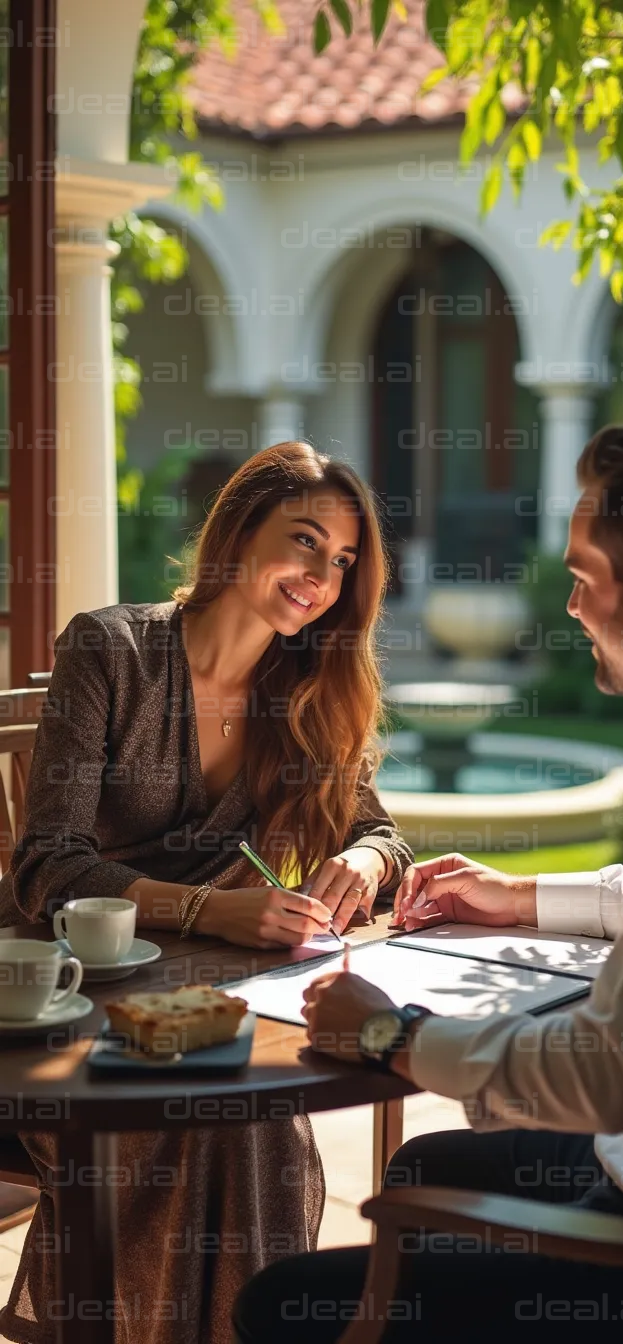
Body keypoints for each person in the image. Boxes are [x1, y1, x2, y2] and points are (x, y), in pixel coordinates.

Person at [233, 421, 623, 1342]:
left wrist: (391, 1032)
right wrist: (520, 898)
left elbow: (610, 1074)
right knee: (426, 1166)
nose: (571, 606)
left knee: (280, 1307)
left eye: (581, 578)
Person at [0, 441, 413, 1344]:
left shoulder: (309, 688)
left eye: (344, 561)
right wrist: (208, 907)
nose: (322, 577)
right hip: (65, 1000)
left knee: (245, 1105)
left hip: (202, 997)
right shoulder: (110, 649)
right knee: (225, 1112)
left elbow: (384, 836)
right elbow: (46, 868)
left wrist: (367, 862)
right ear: (237, 532)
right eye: (304, 541)